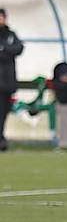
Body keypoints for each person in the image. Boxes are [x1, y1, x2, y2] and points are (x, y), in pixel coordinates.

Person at [0, 8, 24, 151]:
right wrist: (6, 51)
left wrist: (3, 50)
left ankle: (1, 139)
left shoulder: (11, 35)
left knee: (4, 112)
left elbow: (18, 49)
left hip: (7, 83)